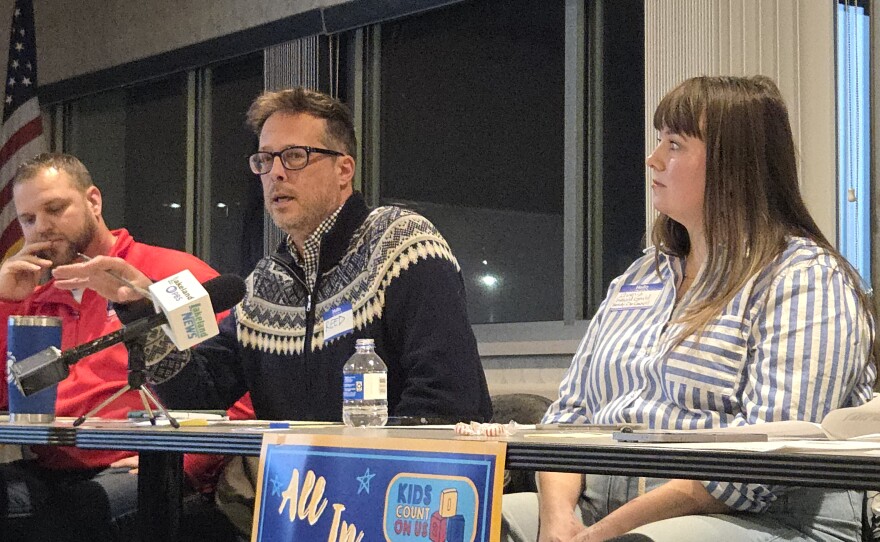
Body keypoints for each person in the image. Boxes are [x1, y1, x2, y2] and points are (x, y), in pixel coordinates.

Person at [52, 88, 493, 534]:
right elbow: (199, 398)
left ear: (344, 170)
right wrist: (138, 309)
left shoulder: (402, 242)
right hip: (297, 507)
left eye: (296, 156)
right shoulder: (265, 282)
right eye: (265, 160)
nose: (276, 173)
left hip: (396, 500)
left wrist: (352, 495)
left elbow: (446, 399)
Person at [502, 75, 876, 542]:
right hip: (604, 508)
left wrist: (603, 535)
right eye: (660, 142)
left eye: (674, 145)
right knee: (480, 519)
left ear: (732, 165)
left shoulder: (804, 278)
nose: (652, 159)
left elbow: (760, 463)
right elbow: (567, 421)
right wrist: (557, 523)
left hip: (762, 520)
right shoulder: (642, 276)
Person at [0, 153, 252, 542]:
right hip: (52, 469)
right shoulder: (34, 298)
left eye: (55, 209)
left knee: (67, 520)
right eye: (28, 219)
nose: (42, 228)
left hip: (148, 468)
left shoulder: (172, 274)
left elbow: (238, 389)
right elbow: (9, 398)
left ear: (94, 201)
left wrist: (184, 463)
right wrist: (6, 304)